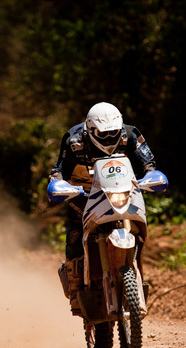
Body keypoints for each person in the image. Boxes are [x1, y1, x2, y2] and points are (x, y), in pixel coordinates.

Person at [49, 102, 156, 313]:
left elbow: (149, 165)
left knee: (139, 228)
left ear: (120, 128)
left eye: (113, 133)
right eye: (102, 134)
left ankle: (135, 274)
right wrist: (57, 184)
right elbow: (59, 170)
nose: (108, 138)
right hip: (83, 192)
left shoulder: (131, 135)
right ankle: (75, 288)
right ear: (89, 130)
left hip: (123, 190)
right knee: (75, 234)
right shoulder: (73, 139)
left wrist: (152, 177)